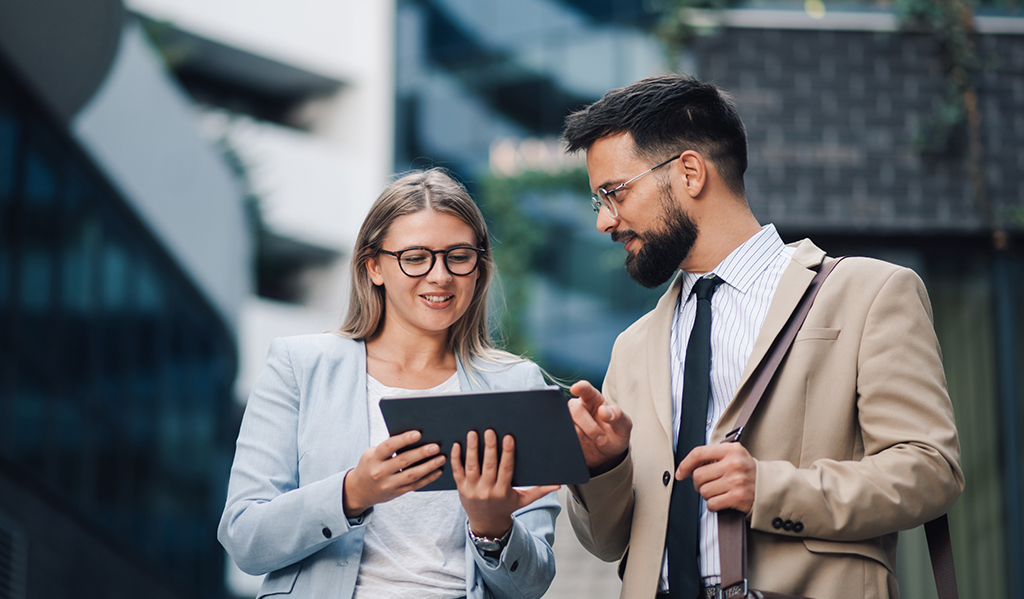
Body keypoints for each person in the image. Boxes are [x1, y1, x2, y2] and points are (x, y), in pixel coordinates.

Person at [561, 74, 963, 599]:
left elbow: (931, 471)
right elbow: (606, 540)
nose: (605, 222)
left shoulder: (870, 292)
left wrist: (771, 489)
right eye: (599, 201)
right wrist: (603, 466)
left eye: (614, 193)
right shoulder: (631, 347)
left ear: (688, 172)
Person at [218, 169, 560, 599]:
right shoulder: (299, 366)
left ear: (479, 266)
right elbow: (245, 539)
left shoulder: (516, 384)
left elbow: (532, 585)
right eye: (416, 257)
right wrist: (352, 492)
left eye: (458, 256)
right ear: (374, 266)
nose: (440, 276)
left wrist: (493, 528)